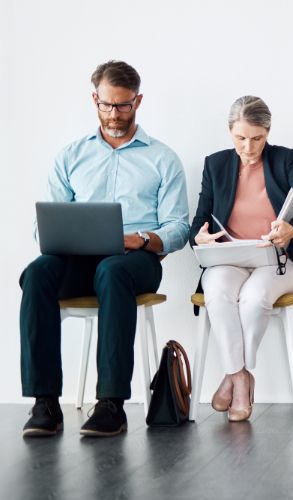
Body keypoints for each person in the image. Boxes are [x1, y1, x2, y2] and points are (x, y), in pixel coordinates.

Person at [20, 60, 190, 437]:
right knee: (36, 273)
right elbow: (43, 224)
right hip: (79, 260)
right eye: (107, 105)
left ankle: (111, 404)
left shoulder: (162, 158)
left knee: (112, 271)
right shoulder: (71, 156)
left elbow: (179, 227)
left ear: (138, 101)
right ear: (94, 99)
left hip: (135, 261)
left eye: (124, 105)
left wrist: (142, 239)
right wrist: (58, 237)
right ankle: (44, 402)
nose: (115, 114)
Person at [190, 96, 293, 422]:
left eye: (256, 138)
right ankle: (242, 378)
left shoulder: (284, 159)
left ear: (267, 131)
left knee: (254, 299)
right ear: (229, 132)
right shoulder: (215, 164)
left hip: (275, 260)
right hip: (228, 258)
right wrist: (199, 236)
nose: (249, 147)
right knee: (219, 295)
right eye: (240, 138)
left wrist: (292, 229)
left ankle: (232, 375)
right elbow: (198, 221)